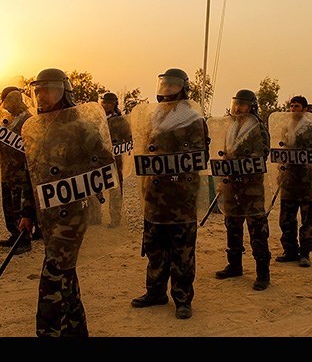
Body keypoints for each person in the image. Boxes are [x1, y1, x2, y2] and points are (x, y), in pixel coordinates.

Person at [18, 68, 113, 336]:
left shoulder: (80, 127)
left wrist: (74, 179)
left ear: (63, 92)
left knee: (53, 277)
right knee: (66, 276)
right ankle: (76, 330)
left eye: (47, 90)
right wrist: (27, 212)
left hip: (71, 215)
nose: (41, 95)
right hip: (47, 215)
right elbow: (31, 174)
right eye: (38, 90)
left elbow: (105, 164)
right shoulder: (37, 128)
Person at [130, 68, 208, 320]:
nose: (166, 89)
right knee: (155, 247)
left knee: (182, 251)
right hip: (154, 194)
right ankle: (155, 292)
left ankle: (183, 299)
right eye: (164, 84)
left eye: (172, 85)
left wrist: (168, 161)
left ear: (183, 88)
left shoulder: (193, 118)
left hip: (180, 196)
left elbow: (200, 156)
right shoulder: (152, 116)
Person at [213, 89, 272, 291]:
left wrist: (238, 162)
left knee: (257, 229)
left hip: (251, 187)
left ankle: (262, 273)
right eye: (236, 104)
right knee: (232, 225)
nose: (237, 108)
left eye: (242, 104)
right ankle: (234, 265)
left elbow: (261, 155)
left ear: (251, 106)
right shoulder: (231, 127)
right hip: (232, 185)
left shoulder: (258, 129)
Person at [275, 95, 312, 268]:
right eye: (291, 106)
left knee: (308, 219)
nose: (293, 109)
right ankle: (290, 251)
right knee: (286, 219)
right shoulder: (286, 126)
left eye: (297, 106)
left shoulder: (310, 127)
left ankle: (305, 253)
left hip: (306, 180)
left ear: (305, 109)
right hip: (289, 179)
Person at [0, 86, 33, 255]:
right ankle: (14, 234)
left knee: (18, 205)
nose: (5, 105)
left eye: (7, 101)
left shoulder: (27, 119)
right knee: (8, 204)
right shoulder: (12, 119)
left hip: (20, 171)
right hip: (8, 169)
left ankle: (23, 239)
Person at [101, 92, 129, 228]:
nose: (105, 105)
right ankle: (96, 216)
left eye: (108, 103)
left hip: (115, 159)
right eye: (104, 102)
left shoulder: (120, 120)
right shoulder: (98, 118)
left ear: (113, 104)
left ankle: (115, 218)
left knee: (115, 188)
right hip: (100, 157)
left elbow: (128, 138)